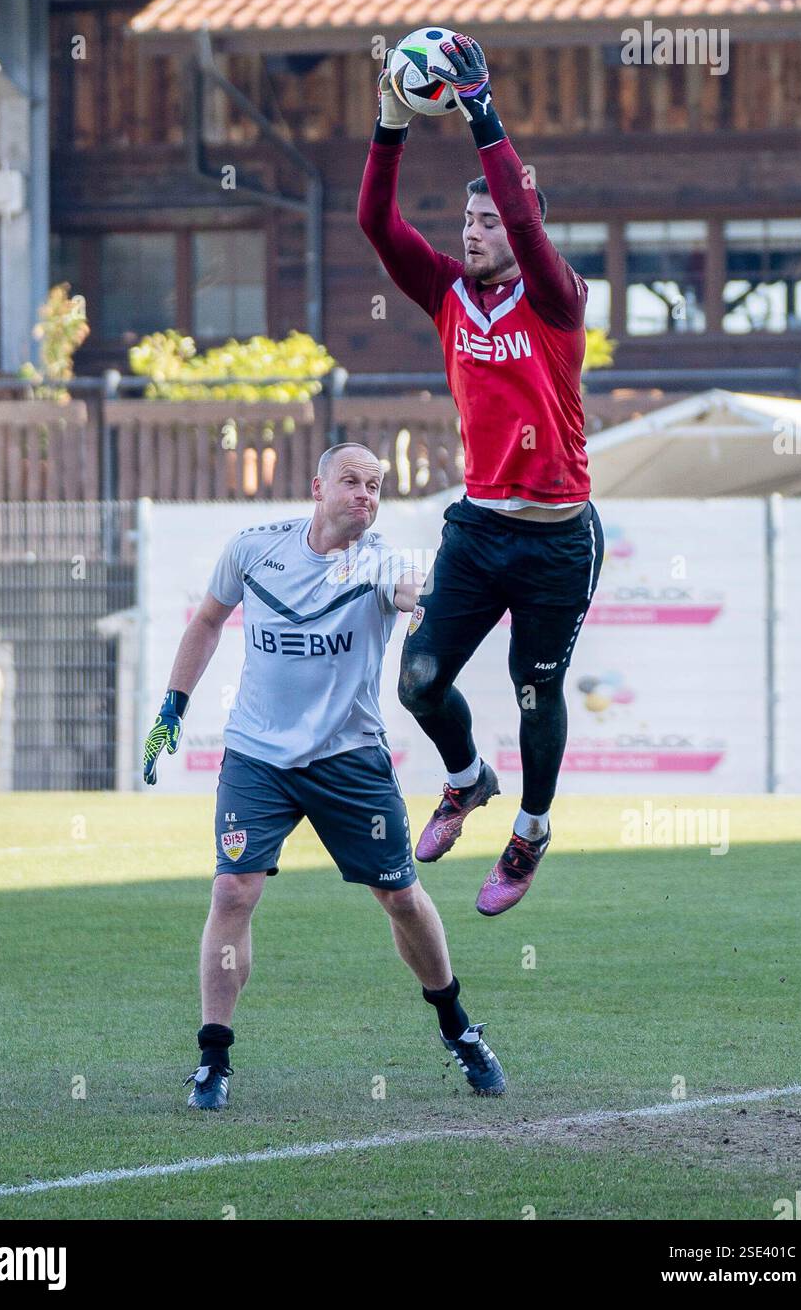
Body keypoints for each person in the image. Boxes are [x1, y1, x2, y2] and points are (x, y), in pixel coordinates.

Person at [143, 443, 506, 1108]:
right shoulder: (253, 549)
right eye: (351, 481)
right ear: (318, 486)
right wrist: (173, 706)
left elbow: (414, 598)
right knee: (232, 894)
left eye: (375, 485)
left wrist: (435, 606)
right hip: (257, 758)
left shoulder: (385, 562)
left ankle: (457, 1028)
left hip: (349, 761)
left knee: (399, 898)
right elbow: (207, 620)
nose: (364, 494)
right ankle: (213, 1059)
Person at [358, 34, 605, 917]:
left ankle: (530, 834)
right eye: (465, 222)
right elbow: (376, 226)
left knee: (535, 691)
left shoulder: (556, 296)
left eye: (488, 221)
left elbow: (524, 218)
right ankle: (466, 782)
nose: (472, 233)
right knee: (419, 680)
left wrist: (480, 115)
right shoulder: (443, 292)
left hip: (554, 535)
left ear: (522, 225)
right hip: (478, 525)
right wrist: (390, 125)